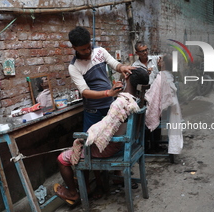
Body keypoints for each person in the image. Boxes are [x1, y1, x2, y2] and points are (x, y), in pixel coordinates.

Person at [54, 26, 135, 202]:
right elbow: (84, 92)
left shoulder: (100, 52)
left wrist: (123, 68)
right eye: (83, 49)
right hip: (92, 111)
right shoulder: (74, 67)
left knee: (111, 141)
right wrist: (108, 93)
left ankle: (117, 175)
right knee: (91, 147)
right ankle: (99, 184)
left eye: (89, 46)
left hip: (110, 107)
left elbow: (115, 64)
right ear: (74, 48)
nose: (88, 51)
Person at [54, 68, 149, 204]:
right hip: (125, 145)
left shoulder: (120, 103)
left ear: (126, 76)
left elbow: (105, 129)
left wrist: (85, 136)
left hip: (110, 149)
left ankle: (73, 193)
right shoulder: (137, 99)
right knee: (84, 141)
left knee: (61, 159)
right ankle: (88, 186)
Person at [145, 54, 183, 155]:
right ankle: (153, 144)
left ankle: (145, 146)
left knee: (141, 114)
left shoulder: (161, 77)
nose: (158, 61)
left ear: (164, 64)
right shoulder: (170, 76)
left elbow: (152, 97)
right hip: (168, 111)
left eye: (160, 60)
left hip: (163, 113)